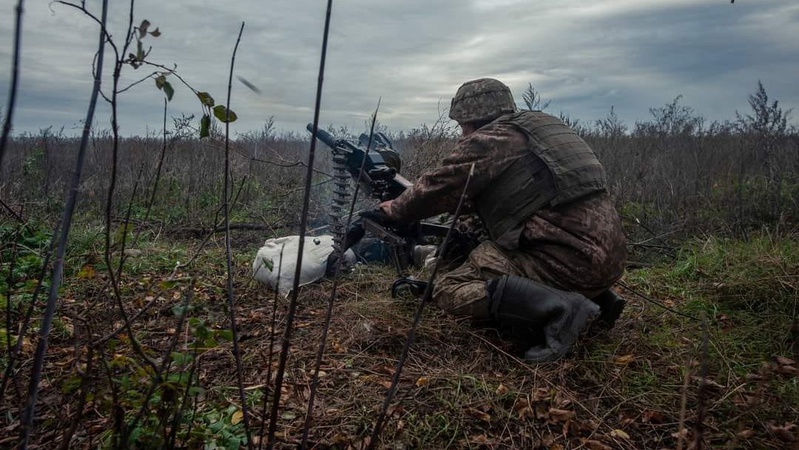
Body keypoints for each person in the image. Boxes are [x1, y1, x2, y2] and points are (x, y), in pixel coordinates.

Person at [377, 78, 628, 362]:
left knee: (448, 288)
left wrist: (395, 209)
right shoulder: (541, 128)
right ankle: (598, 297)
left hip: (568, 262)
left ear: (473, 120)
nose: (462, 135)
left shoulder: (492, 139)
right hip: (607, 258)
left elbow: (439, 186)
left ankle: (563, 309)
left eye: (462, 127)